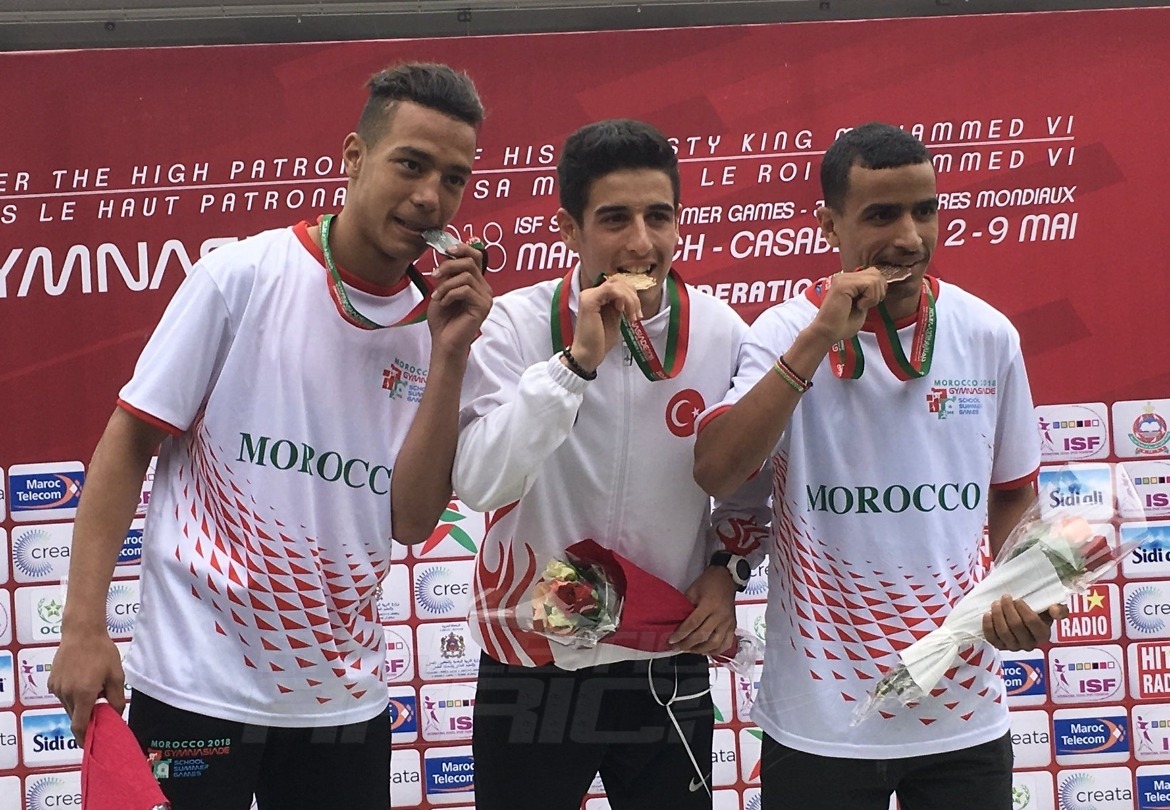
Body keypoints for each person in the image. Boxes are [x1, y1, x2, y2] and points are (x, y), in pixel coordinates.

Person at [48, 62, 491, 810]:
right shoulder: (243, 276)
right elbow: (127, 445)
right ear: (354, 157)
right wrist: (82, 626)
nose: (430, 196)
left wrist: (449, 356)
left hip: (342, 704)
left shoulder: (442, 328)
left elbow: (413, 522)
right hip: (195, 686)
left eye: (453, 178)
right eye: (411, 165)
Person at [692, 122, 1053, 810]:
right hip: (820, 716)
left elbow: (1012, 492)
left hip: (962, 707)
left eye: (925, 210)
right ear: (830, 225)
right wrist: (817, 340)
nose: (910, 237)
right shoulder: (782, 332)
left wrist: (1026, 589)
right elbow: (717, 472)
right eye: (882, 215)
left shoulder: (988, 333)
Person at [453, 119, 771, 810]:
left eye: (659, 217)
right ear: (569, 229)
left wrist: (727, 571)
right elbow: (479, 481)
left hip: (665, 657)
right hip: (532, 656)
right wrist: (573, 366)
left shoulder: (722, 332)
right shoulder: (513, 324)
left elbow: (750, 486)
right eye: (615, 219)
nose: (641, 243)